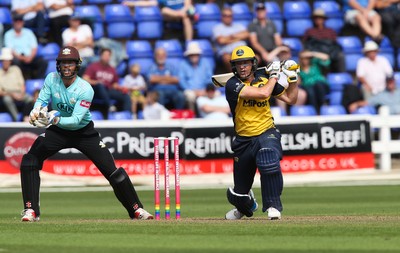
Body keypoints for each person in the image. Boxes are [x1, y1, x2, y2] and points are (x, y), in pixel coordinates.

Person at [20, 46, 153, 222]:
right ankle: (31, 211)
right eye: (63, 63)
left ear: (77, 65)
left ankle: (137, 210)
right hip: (57, 132)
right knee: (29, 160)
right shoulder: (51, 79)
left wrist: (54, 120)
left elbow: (75, 120)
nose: (67, 66)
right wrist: (36, 111)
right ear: (58, 65)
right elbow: (42, 100)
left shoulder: (85, 88)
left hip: (84, 133)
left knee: (113, 172)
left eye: (71, 63)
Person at [223, 45, 300, 220]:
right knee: (238, 195)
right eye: (238, 64)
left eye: (246, 63)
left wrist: (293, 78)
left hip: (266, 132)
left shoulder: (263, 78)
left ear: (253, 64)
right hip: (243, 140)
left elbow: (291, 99)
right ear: (234, 66)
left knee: (268, 157)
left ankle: (273, 206)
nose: (242, 67)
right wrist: (273, 76)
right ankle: (245, 206)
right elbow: (263, 93)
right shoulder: (232, 84)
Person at [83, 48, 132, 118]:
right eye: (105, 55)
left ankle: (128, 116)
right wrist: (96, 82)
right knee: (100, 85)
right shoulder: (93, 66)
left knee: (125, 96)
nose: (107, 57)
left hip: (107, 90)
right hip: (95, 91)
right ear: (100, 56)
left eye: (108, 55)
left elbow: (114, 84)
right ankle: (110, 106)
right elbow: (85, 79)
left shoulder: (112, 69)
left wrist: (121, 88)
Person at [122, 0, 196, 41]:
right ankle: (179, 15)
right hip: (171, 16)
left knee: (187, 17)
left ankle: (189, 42)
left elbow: (187, 5)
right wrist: (134, 4)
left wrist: (182, 12)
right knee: (164, 10)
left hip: (184, 15)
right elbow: (150, 3)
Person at [4, 14, 48, 80]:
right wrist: (22, 58)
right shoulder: (8, 34)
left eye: (20, 21)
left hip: (30, 57)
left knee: (43, 62)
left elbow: (34, 47)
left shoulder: (29, 32)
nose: (18, 23)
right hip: (17, 58)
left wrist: (30, 57)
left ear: (23, 22)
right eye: (16, 21)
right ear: (13, 22)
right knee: (16, 62)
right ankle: (20, 81)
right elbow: (11, 50)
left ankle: (38, 81)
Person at [303, 9, 345, 73]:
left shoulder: (330, 31)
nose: (318, 19)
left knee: (340, 56)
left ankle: (341, 76)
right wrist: (317, 54)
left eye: (320, 18)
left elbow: (335, 44)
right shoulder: (309, 31)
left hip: (330, 52)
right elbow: (307, 46)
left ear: (324, 19)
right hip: (316, 53)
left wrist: (330, 54)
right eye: (316, 18)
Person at [212, 7, 249, 73]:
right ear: (221, 16)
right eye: (225, 15)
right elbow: (221, 41)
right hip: (227, 54)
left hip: (242, 52)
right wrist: (237, 38)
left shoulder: (239, 25)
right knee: (227, 58)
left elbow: (246, 34)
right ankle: (235, 77)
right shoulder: (217, 28)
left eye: (230, 16)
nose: (227, 17)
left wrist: (229, 37)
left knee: (256, 57)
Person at [0, 48, 32, 121]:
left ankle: (25, 117)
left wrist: (22, 93)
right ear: (2, 62)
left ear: (10, 61)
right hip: (7, 94)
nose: (6, 62)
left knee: (29, 98)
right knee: (7, 100)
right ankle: (16, 119)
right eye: (4, 61)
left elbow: (22, 84)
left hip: (19, 92)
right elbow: (0, 92)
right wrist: (12, 94)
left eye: (7, 61)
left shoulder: (16, 69)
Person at [179, 41, 213, 112]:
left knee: (217, 94)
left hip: (204, 89)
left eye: (196, 54)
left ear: (199, 55)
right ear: (188, 55)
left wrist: (205, 90)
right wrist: (193, 90)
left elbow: (210, 79)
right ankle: (192, 115)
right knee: (190, 96)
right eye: (192, 54)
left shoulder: (205, 63)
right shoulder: (183, 64)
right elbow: (181, 81)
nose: (194, 56)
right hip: (190, 90)